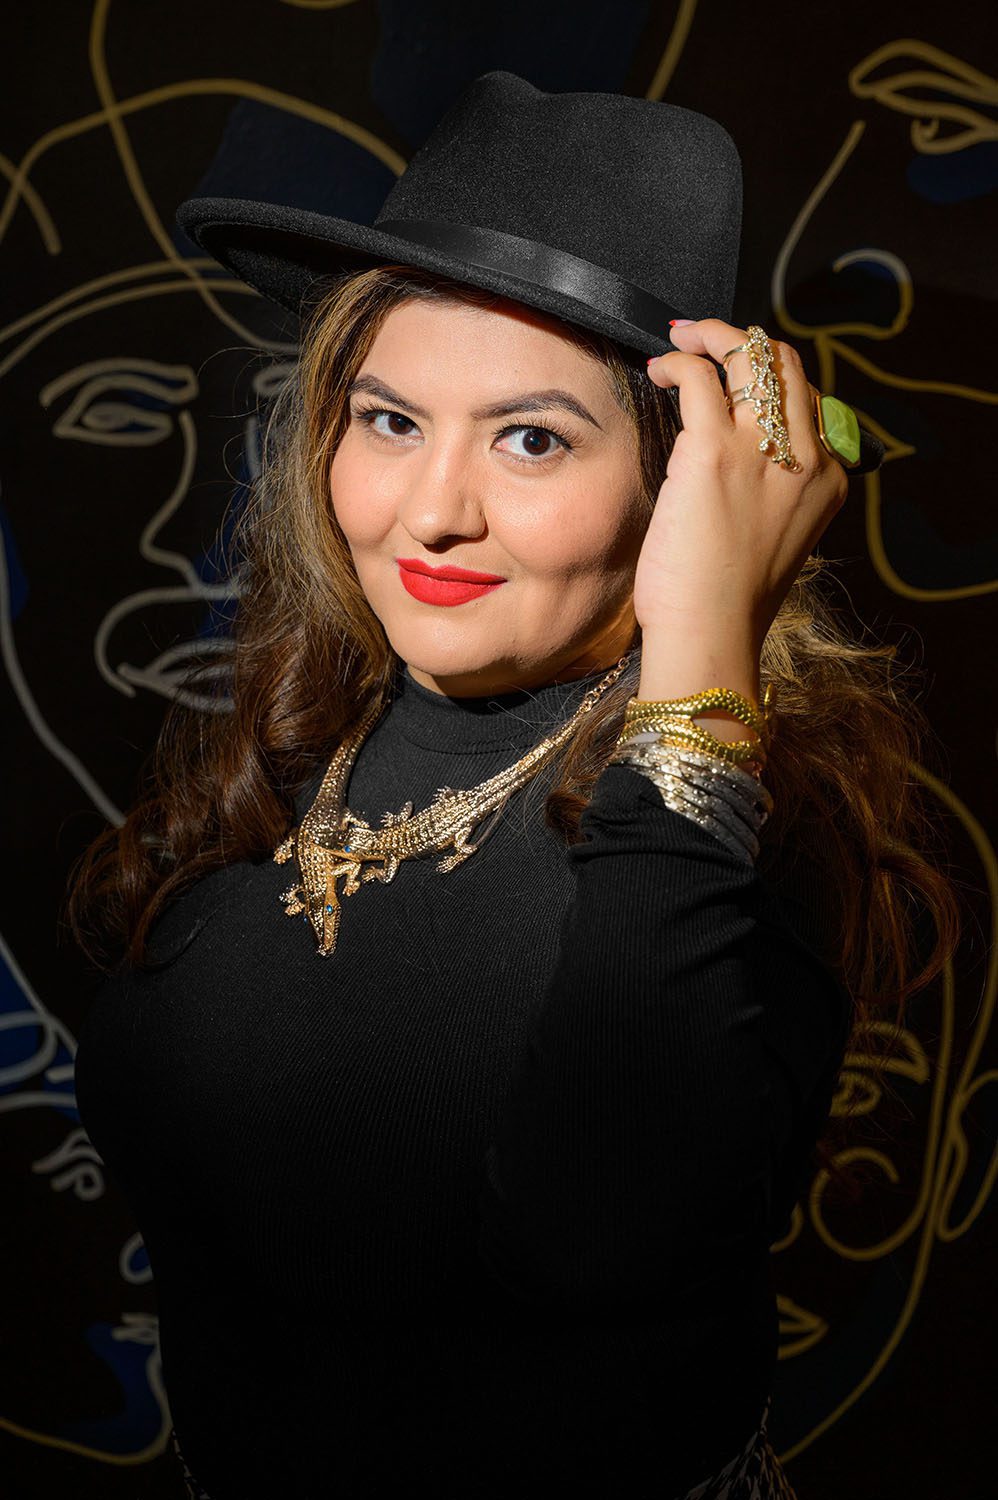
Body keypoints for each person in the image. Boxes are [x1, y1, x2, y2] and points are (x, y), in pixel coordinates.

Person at [68, 71, 959, 1499]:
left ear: (685, 491)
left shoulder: (728, 823)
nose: (431, 511)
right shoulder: (305, 741)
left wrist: (696, 657)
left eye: (532, 437)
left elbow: (598, 1229)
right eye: (389, 420)